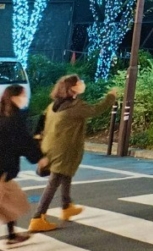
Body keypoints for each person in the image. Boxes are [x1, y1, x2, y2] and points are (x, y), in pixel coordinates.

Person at [29, 75, 116, 233]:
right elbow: (96, 109)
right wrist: (111, 97)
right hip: (63, 149)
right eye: (78, 83)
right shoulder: (75, 107)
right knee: (54, 181)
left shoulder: (53, 105)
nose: (81, 84)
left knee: (66, 173)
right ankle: (37, 217)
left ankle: (66, 206)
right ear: (71, 89)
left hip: (51, 146)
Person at [0, 85, 41, 246]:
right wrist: (39, 158)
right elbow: (24, 142)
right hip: (3, 169)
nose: (25, 98)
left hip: (5, 170)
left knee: (12, 201)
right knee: (13, 201)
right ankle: (12, 235)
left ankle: (12, 235)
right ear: (13, 98)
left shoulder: (5, 115)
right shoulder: (12, 119)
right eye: (23, 95)